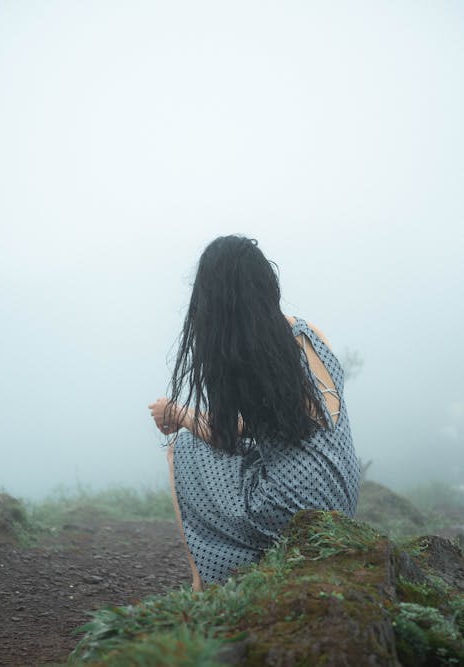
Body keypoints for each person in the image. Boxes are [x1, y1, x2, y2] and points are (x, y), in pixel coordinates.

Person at [149, 235, 360, 590]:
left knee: (183, 451)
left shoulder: (249, 353)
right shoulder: (308, 333)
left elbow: (224, 435)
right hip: (343, 494)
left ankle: (203, 587)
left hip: (298, 504)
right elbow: (276, 422)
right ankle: (257, 571)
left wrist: (178, 413)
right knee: (249, 460)